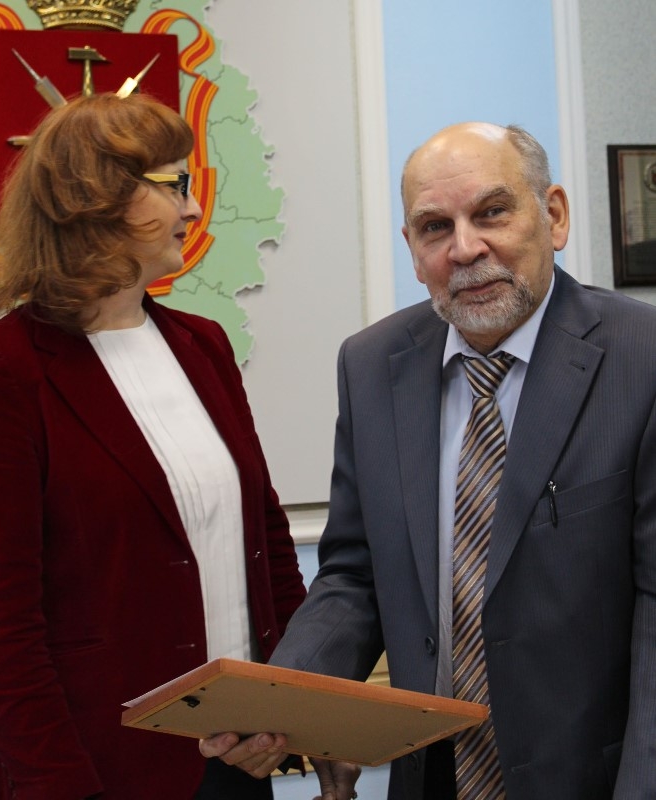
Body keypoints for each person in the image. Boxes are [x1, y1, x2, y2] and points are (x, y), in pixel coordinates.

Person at [201, 121, 656, 799]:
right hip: (431, 774)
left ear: (554, 216)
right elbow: (355, 571)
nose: (465, 248)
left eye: (492, 212)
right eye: (435, 227)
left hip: (592, 775)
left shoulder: (641, 357)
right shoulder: (371, 365)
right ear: (413, 251)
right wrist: (286, 701)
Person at [0, 92, 306, 800]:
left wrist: (298, 717)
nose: (194, 208)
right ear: (96, 198)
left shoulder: (203, 345)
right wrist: (61, 786)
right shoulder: (0, 370)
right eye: (175, 184)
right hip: (89, 772)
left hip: (236, 762)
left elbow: (266, 540)